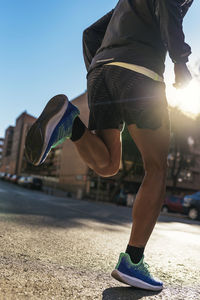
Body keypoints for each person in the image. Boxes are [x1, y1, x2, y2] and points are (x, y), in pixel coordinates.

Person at [25, 0, 193, 291]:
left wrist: (100, 70)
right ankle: (133, 261)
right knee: (156, 167)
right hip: (139, 71)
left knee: (107, 165)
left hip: (100, 72)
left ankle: (71, 124)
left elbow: (90, 33)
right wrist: (180, 61)